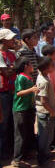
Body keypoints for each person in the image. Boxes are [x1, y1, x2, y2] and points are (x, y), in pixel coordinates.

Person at [11, 57, 39, 167]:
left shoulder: (28, 77)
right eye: (30, 64)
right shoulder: (21, 78)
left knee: (27, 132)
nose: (32, 66)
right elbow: (18, 93)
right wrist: (32, 90)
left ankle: (25, 154)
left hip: (28, 108)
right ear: (26, 66)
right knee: (20, 135)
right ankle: (17, 159)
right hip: (20, 109)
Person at [35, 57, 55, 166]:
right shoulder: (43, 81)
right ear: (46, 69)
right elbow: (43, 101)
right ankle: (42, 158)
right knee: (44, 137)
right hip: (45, 113)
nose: (54, 67)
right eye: (52, 65)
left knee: (48, 136)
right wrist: (51, 111)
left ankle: (46, 154)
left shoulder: (44, 77)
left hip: (47, 112)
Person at [0, 29, 17, 159]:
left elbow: (14, 69)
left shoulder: (12, 54)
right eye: (11, 39)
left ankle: (11, 149)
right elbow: (6, 73)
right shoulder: (0, 54)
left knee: (12, 121)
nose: (13, 41)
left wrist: (11, 69)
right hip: (4, 93)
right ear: (4, 40)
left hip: (13, 91)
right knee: (4, 122)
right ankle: (4, 151)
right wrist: (13, 69)